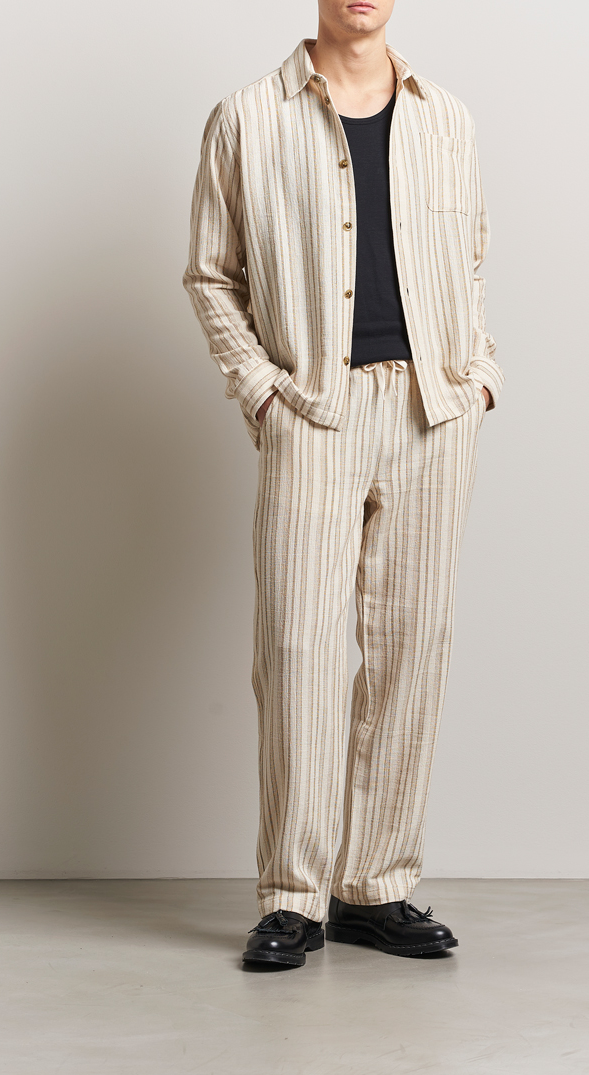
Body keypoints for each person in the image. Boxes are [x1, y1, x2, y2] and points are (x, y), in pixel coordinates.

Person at [183, 0, 503, 968]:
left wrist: (479, 376)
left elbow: (470, 259)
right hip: (313, 411)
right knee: (298, 649)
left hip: (430, 412)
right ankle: (293, 896)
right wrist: (262, 392)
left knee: (413, 648)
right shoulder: (247, 118)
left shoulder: (447, 118)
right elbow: (210, 276)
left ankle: (375, 886)